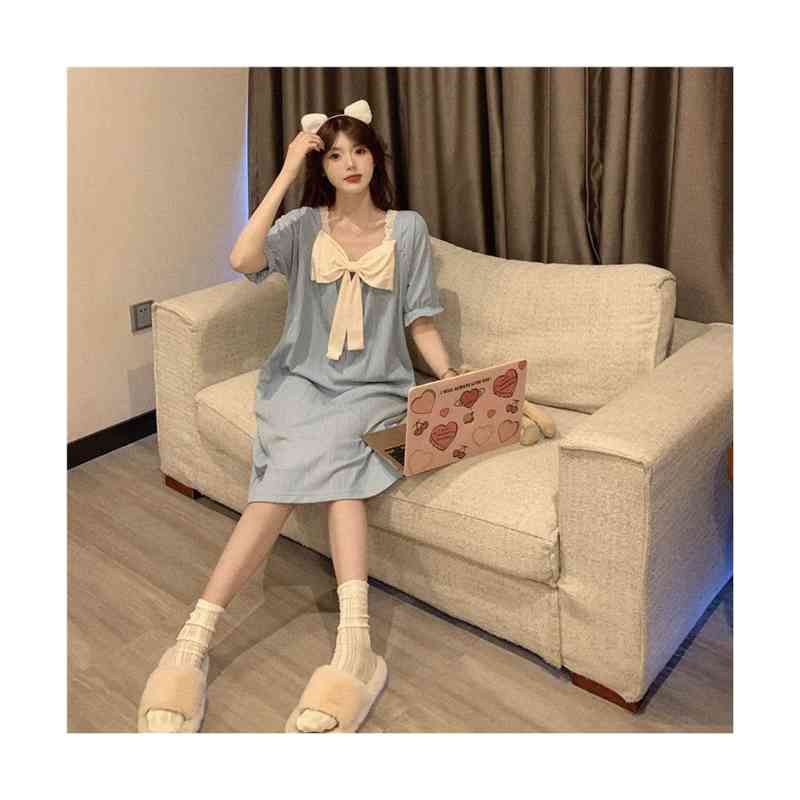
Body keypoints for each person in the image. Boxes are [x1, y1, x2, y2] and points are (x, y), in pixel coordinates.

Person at [137, 99, 456, 733]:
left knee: (309, 467)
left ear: (376, 158)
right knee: (309, 475)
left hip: (375, 387)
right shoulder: (303, 226)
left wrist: (448, 378)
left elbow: (418, 317)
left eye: (359, 150)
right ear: (322, 166)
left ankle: (196, 641)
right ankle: (334, 647)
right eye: (334, 154)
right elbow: (242, 258)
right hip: (301, 382)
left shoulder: (408, 230)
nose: (349, 163)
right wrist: (285, 172)